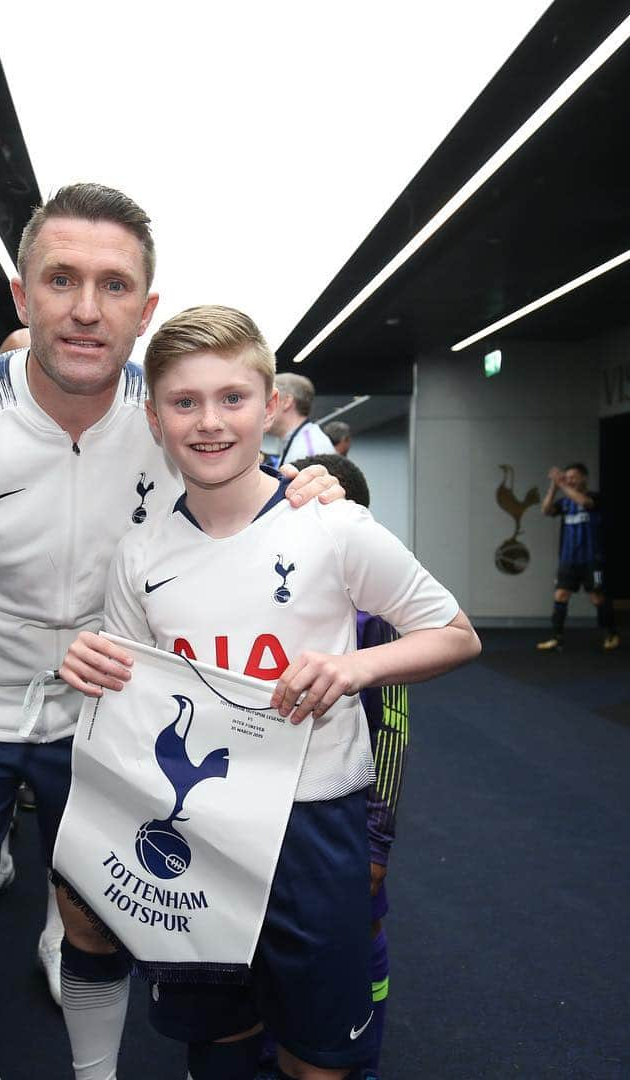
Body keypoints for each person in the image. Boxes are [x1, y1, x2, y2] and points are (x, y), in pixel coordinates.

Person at [0, 183, 343, 1080]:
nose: (84, 308)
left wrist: (313, 488)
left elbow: (252, 486)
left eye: (114, 286)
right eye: (60, 279)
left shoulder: (166, 414)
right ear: (20, 293)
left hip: (109, 712)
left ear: (146, 310)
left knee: (93, 923)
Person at [59, 305, 480, 1080]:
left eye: (233, 398)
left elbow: (455, 632)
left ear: (270, 407)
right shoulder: (140, 553)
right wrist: (90, 668)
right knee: (214, 1040)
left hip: (313, 825)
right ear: (154, 419)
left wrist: (353, 669)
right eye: (185, 403)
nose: (210, 422)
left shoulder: (331, 525)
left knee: (318, 1059)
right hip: (198, 834)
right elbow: (127, 699)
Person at [286, 452, 405, 1079]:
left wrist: (377, 842)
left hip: (349, 816)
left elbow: (395, 732)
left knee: (358, 933)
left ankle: (364, 1048)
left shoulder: (374, 613)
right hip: (278, 808)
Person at [536, 463, 618, 652]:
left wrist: (562, 484)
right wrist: (554, 487)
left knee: (597, 598)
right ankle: (557, 638)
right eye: (567, 477)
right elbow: (546, 510)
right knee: (561, 595)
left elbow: (585, 503)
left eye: (573, 477)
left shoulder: (594, 497)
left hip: (591, 558)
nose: (570, 480)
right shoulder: (565, 503)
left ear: (584, 478)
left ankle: (611, 634)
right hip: (568, 559)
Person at [267, 373, 336, 465]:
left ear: (287, 402)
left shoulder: (309, 450)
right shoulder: (301, 442)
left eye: (269, 401)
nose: (264, 408)